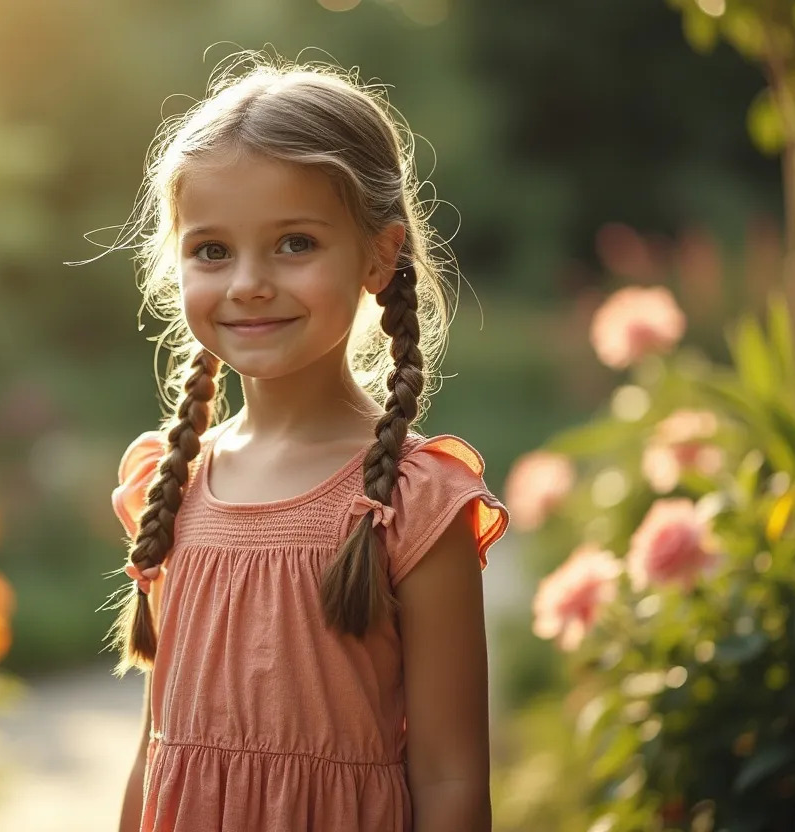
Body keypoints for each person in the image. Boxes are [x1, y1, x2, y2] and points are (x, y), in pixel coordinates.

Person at [101, 53, 510, 832]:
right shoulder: (172, 482)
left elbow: (453, 777)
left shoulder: (416, 504)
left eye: (294, 243)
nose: (248, 282)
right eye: (212, 250)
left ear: (378, 255)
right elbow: (156, 757)